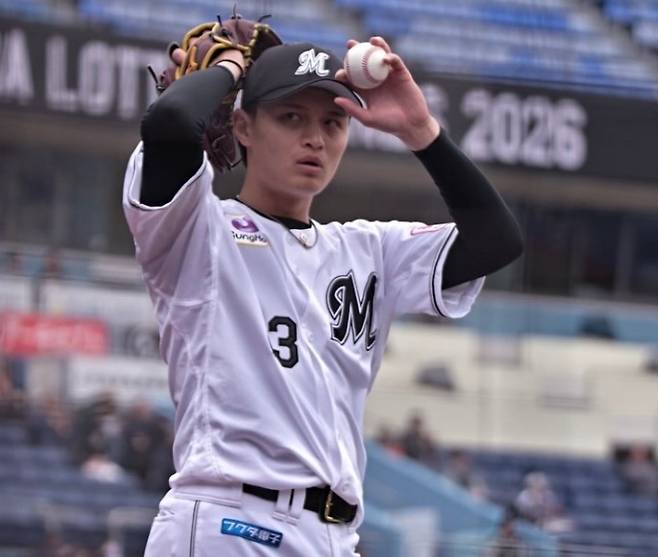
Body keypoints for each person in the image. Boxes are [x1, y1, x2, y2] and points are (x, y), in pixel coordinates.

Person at [122, 31, 523, 556]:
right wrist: (228, 67)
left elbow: (497, 241)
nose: (314, 138)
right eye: (291, 118)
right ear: (242, 126)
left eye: (332, 122)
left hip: (332, 535)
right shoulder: (198, 231)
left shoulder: (370, 250)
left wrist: (421, 132)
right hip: (231, 520)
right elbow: (172, 121)